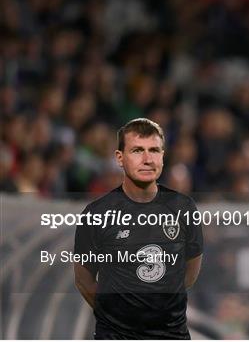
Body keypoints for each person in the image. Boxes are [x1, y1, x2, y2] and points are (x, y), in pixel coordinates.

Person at [74, 118, 203, 339]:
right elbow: (83, 278)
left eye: (154, 150)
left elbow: (190, 271)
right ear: (120, 158)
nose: (147, 159)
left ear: (162, 156)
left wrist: (160, 306)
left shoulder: (184, 208)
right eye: (137, 150)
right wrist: (118, 318)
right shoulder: (97, 213)